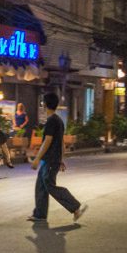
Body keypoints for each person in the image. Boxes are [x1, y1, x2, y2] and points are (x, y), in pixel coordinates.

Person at [29, 91, 86, 223]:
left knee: (50, 186)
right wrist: (61, 159)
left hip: (49, 160)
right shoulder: (59, 120)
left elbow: (47, 141)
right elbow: (61, 142)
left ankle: (75, 207)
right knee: (41, 186)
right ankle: (40, 214)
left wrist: (37, 158)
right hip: (51, 160)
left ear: (45, 105)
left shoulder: (51, 121)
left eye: (42, 103)